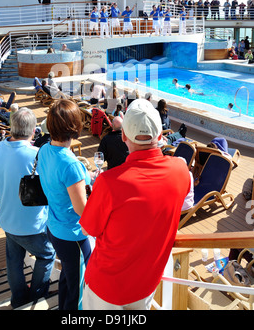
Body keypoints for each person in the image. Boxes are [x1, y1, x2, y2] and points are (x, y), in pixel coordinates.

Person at [80, 98, 190, 310]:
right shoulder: (180, 171)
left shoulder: (109, 182)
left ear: (123, 136)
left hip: (106, 287)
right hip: (146, 284)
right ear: (160, 136)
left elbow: (87, 229)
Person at [0, 107, 55, 309]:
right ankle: (36, 297)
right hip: (31, 224)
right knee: (47, 255)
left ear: (11, 128)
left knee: (14, 260)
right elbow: (51, 187)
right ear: (34, 130)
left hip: (7, 219)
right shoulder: (37, 154)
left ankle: (19, 298)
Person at [37, 99, 91, 310]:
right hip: (73, 235)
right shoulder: (71, 165)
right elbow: (82, 210)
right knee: (77, 290)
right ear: (74, 126)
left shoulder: (44, 150)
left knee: (67, 280)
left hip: (54, 226)